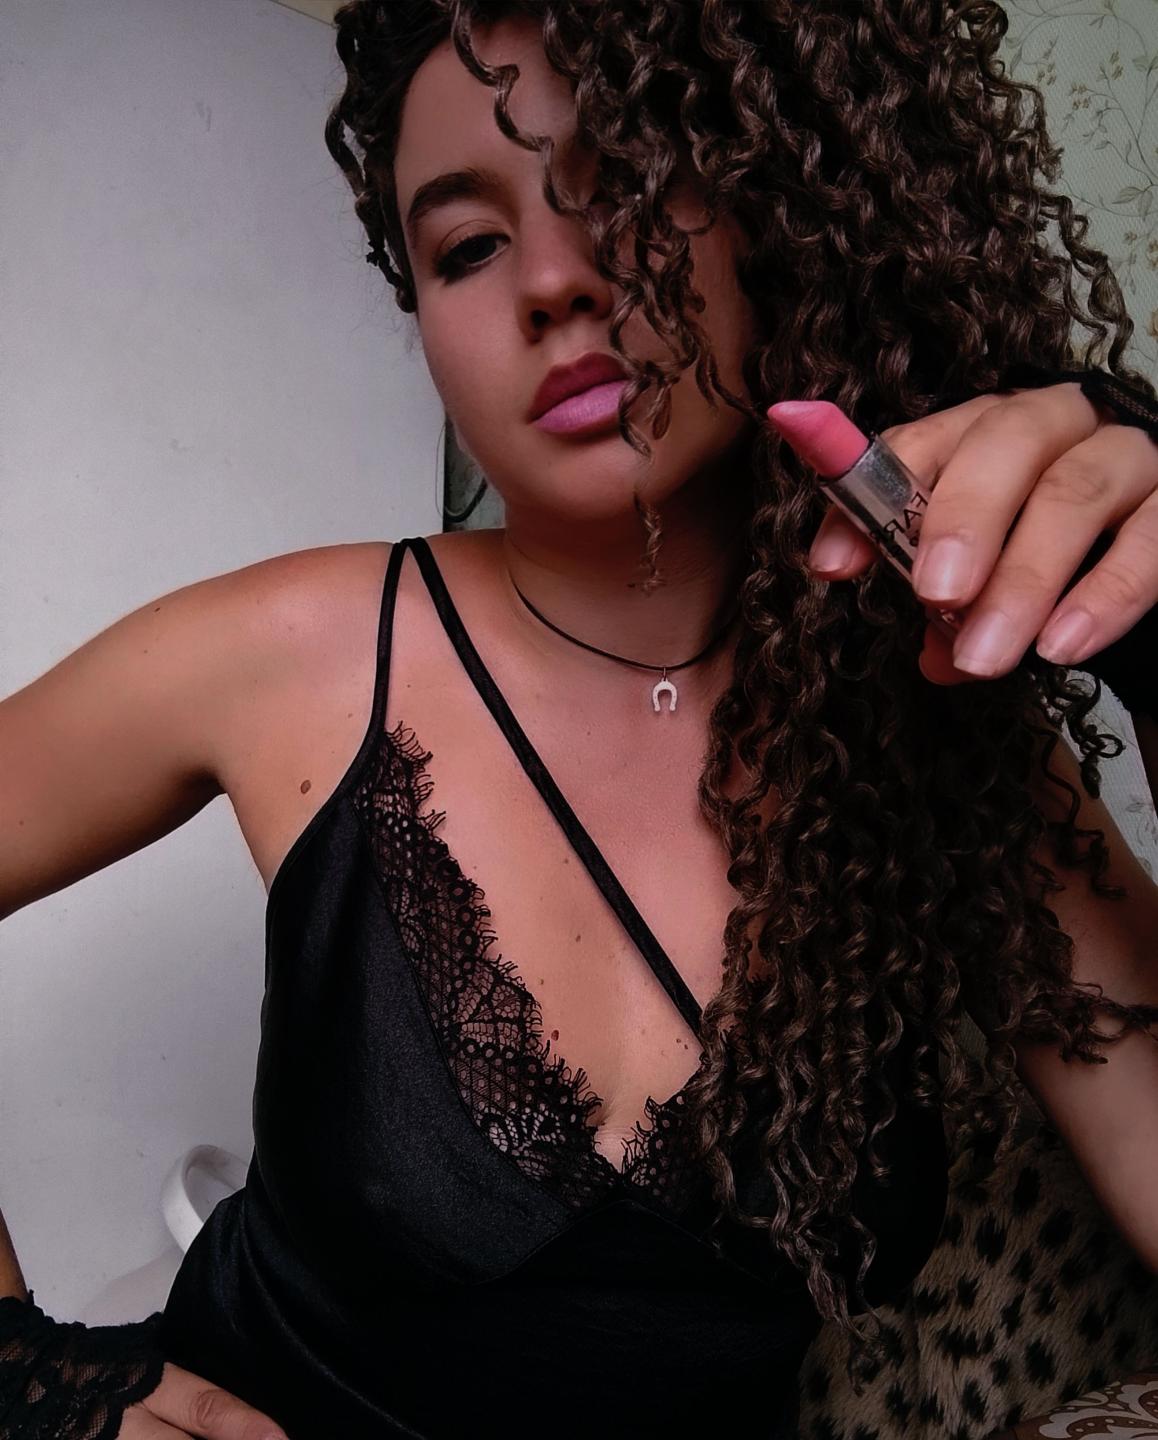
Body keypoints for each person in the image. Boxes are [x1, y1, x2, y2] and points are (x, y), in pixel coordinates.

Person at [2, 2, 1158, 1437]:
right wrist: (29, 1383)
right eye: (466, 246)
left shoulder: (941, 731)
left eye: (627, 181)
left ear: (775, 208)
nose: (552, 281)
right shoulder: (291, 652)